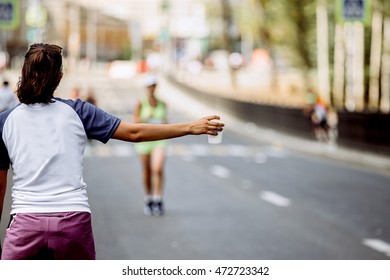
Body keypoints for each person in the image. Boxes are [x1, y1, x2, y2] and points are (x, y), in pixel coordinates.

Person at [0, 43, 224, 260]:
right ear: (59, 77)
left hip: (25, 225)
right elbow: (134, 133)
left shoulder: (5, 121)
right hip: (72, 223)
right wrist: (189, 127)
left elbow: (0, 187)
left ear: (24, 72)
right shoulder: (79, 112)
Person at [133, 75, 168, 216]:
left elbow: (166, 121)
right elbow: (134, 122)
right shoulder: (140, 103)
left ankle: (158, 199)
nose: (152, 88)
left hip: (159, 140)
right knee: (147, 171)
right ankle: (148, 198)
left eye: (154, 85)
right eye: (149, 86)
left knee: (157, 168)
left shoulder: (162, 104)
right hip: (144, 140)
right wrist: (145, 118)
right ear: (146, 88)